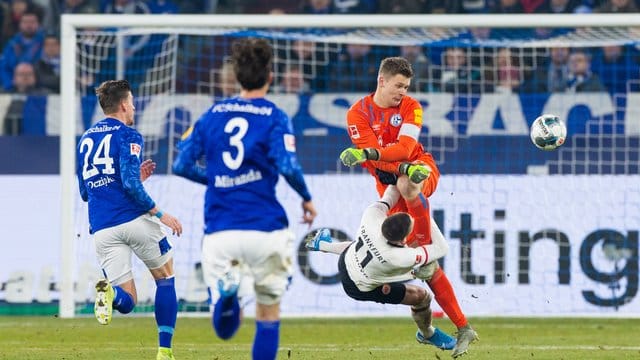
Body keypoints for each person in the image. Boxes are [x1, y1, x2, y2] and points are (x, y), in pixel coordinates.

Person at [172, 37, 317, 360]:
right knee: (268, 313)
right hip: (266, 228)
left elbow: (180, 164)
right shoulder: (275, 116)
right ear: (270, 75)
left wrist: (218, 180)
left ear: (236, 76)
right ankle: (234, 300)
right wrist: (306, 198)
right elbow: (288, 166)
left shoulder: (211, 115)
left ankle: (228, 296)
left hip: (221, 231)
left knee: (225, 328)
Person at [341, 56, 478, 358]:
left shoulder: (411, 107)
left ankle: (421, 239)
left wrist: (371, 154)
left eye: (406, 87)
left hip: (419, 168)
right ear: (382, 81)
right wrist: (374, 158)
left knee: (408, 183)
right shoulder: (357, 113)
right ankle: (462, 327)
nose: (402, 92)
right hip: (388, 187)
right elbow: (376, 162)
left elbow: (403, 149)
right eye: (398, 86)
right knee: (427, 268)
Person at [76, 79, 182, 360]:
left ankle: (109, 295)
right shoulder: (128, 135)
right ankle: (164, 351)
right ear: (124, 104)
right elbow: (131, 187)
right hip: (134, 220)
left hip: (102, 229)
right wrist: (162, 214)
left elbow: (85, 192)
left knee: (128, 300)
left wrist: (135, 179)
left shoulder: (85, 139)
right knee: (165, 278)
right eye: (132, 102)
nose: (134, 107)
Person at [308, 169, 458, 351]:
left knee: (357, 246)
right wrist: (423, 212)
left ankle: (324, 245)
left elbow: (389, 194)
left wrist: (399, 177)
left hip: (348, 259)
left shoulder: (371, 217)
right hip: (358, 287)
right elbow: (441, 248)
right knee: (421, 297)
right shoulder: (398, 257)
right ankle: (427, 333)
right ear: (403, 240)